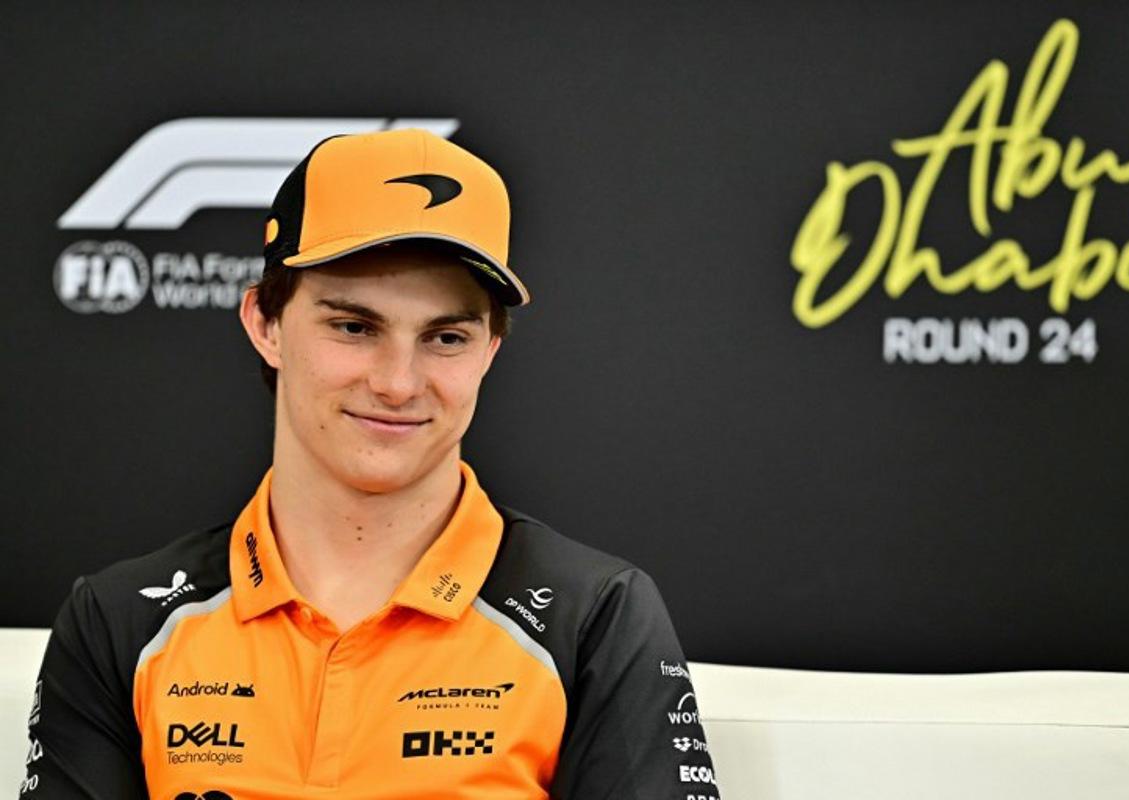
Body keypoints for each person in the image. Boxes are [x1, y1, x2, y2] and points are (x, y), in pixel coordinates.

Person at [21, 128, 720, 799]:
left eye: (445, 336)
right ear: (264, 325)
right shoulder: (122, 621)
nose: (397, 382)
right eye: (354, 327)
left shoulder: (593, 615)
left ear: (489, 353)